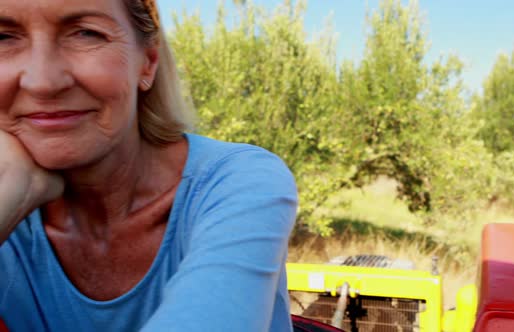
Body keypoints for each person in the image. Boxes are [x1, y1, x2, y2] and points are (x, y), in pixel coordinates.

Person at [0, 0, 298, 331]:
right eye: (3, 37)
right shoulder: (8, 203)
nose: (43, 81)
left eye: (86, 33)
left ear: (148, 62)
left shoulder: (240, 182)